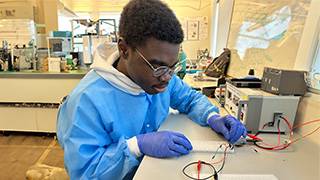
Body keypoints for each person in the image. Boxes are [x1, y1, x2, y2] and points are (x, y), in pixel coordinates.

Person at [57, 0, 247, 179]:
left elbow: (189, 98)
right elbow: (85, 173)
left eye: (173, 67)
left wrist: (212, 118)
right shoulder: (87, 100)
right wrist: (135, 146)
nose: (166, 77)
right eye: (157, 67)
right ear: (124, 49)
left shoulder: (162, 78)